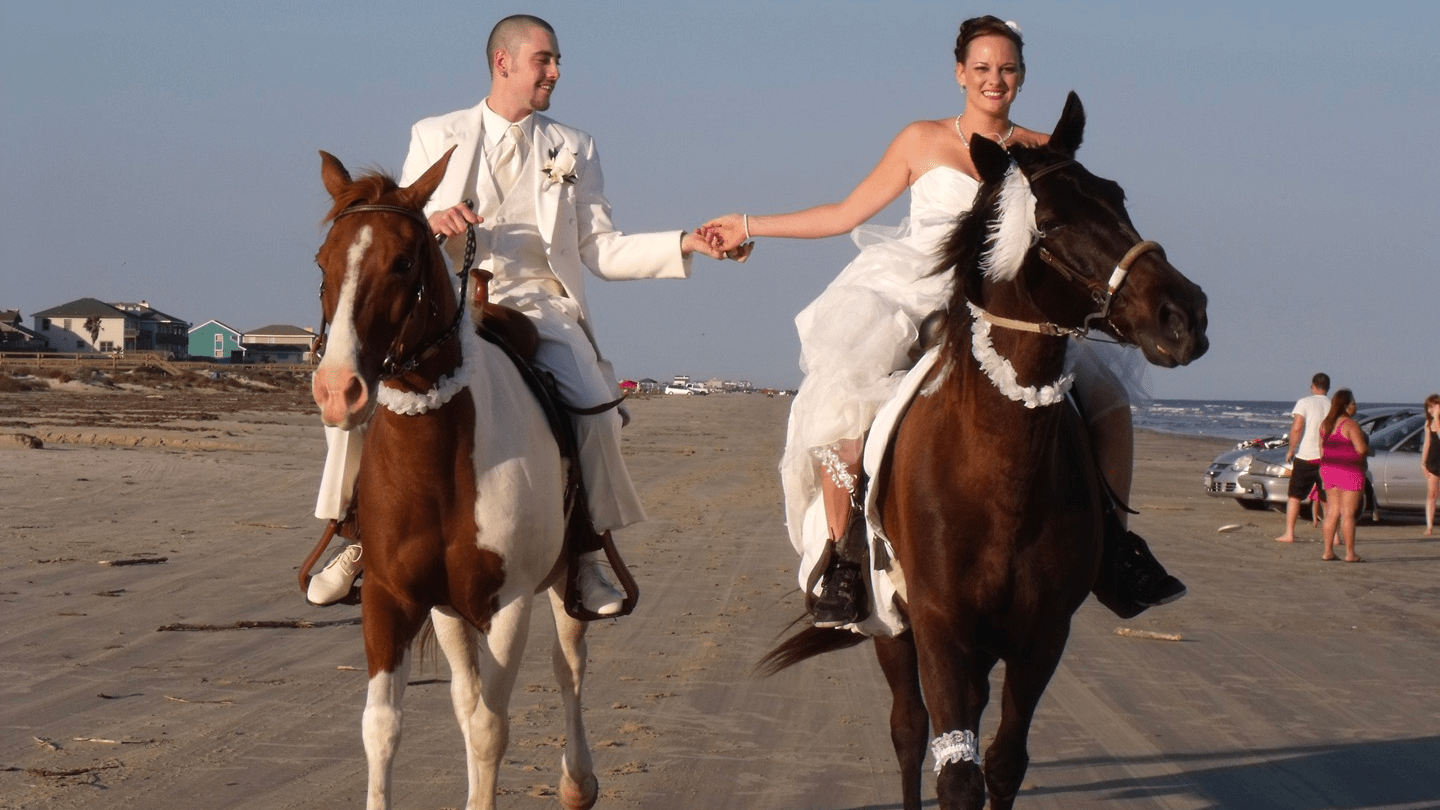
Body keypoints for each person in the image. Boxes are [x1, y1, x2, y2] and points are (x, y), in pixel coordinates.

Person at [699, 16, 1184, 630]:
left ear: (1022, 75)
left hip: (1009, 307)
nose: (994, 80)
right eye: (981, 68)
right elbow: (845, 212)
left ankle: (1115, 550)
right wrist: (749, 224)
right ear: (960, 73)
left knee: (1110, 399)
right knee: (846, 389)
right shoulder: (921, 140)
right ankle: (843, 557)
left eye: (1007, 68)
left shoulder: (1043, 152)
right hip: (915, 288)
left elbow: (1079, 234)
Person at [306, 14, 729, 612]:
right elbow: (398, 227)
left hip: (538, 302)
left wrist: (685, 242)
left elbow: (599, 249)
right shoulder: (434, 132)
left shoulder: (575, 147)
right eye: (545, 60)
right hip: (444, 297)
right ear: (503, 63)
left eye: (556, 63)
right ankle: (354, 537)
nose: (555, 72)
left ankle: (584, 554)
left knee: (599, 414)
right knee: (354, 389)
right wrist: (434, 221)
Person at [1275, 372, 1331, 543]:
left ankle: (1290, 533)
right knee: (1327, 499)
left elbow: (1297, 427)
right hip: (1327, 457)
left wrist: (1291, 449)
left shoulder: (1305, 402)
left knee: (1295, 496)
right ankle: (1334, 536)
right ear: (1327, 388)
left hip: (1306, 455)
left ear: (1313, 386)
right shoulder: (1334, 404)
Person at [1317, 389, 1368, 562]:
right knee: (1348, 513)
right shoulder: (1350, 424)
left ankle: (1327, 551)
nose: (1355, 406)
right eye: (1353, 403)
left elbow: (1322, 450)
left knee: (1332, 511)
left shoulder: (1325, 424)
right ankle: (1350, 553)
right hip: (1350, 471)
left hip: (1329, 470)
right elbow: (1361, 449)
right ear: (1346, 405)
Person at [1422, 394, 1440, 536]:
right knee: (1431, 494)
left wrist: (1437, 419)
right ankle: (1429, 526)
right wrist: (1423, 462)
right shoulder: (1428, 424)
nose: (1430, 410)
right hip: (1433, 461)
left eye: (1433, 406)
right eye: (1428, 407)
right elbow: (1427, 444)